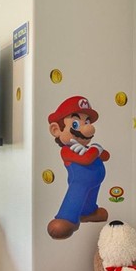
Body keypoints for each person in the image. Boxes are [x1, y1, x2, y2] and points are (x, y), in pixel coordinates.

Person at [46, 96, 110, 240]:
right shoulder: (67, 150)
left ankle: (89, 212)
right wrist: (95, 150)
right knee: (75, 198)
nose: (87, 127)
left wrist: (98, 150)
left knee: (90, 199)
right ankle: (66, 218)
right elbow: (86, 159)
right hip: (79, 184)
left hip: (95, 183)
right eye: (76, 124)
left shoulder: (86, 147)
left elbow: (106, 156)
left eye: (86, 122)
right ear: (56, 130)